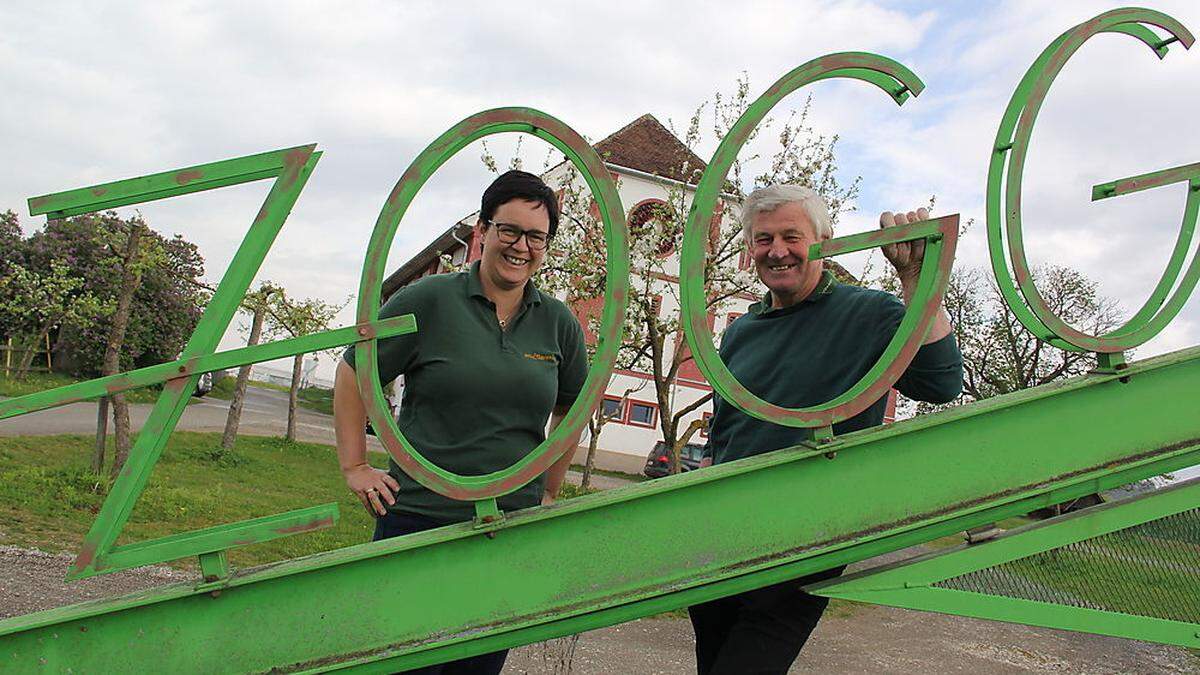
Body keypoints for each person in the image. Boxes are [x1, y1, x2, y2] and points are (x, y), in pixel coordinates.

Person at [688, 184, 964, 674]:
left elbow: (941, 382)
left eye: (792, 236)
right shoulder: (740, 332)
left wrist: (918, 282)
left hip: (806, 539)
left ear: (824, 239)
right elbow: (726, 431)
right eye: (763, 239)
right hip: (722, 536)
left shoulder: (869, 313)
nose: (777, 251)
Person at [333, 170, 588, 675]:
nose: (521, 246)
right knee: (401, 663)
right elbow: (353, 372)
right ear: (483, 232)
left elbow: (571, 409)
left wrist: (549, 490)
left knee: (475, 668)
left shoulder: (558, 323)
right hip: (419, 519)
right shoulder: (430, 300)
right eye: (508, 230)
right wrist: (355, 466)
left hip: (505, 529)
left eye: (536, 236)